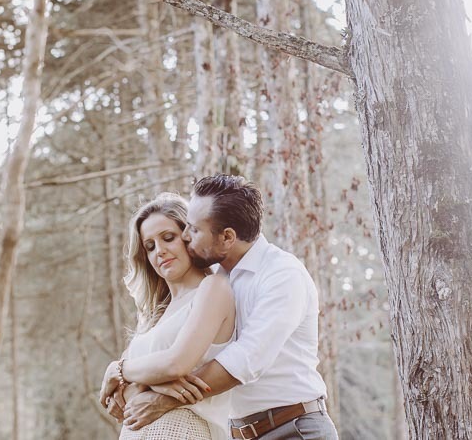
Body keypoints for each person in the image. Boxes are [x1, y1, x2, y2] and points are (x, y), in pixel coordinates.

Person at [105, 175, 338, 440]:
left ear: (227, 237)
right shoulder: (215, 277)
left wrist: (164, 398)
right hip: (239, 432)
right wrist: (126, 378)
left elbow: (247, 359)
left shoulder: (281, 274)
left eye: (194, 230)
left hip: (291, 427)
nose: (185, 236)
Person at [100, 192, 236, 439]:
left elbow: (176, 363)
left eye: (168, 238)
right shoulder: (152, 316)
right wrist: (151, 381)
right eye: (150, 246)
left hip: (186, 431)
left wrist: (118, 369)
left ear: (190, 237)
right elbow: (119, 400)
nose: (159, 251)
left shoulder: (213, 288)